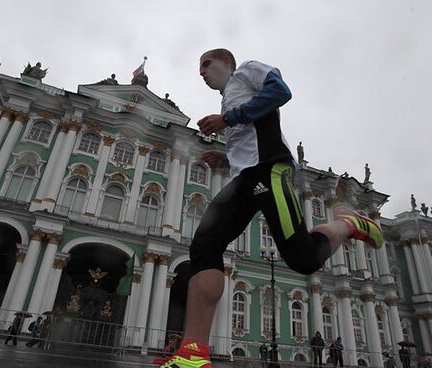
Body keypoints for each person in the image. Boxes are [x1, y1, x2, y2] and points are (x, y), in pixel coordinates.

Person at [157, 49, 384, 368]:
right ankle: (193, 353)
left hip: (270, 170)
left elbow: (281, 92)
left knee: (303, 259)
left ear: (227, 63)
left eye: (206, 64)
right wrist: (225, 158)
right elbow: (247, 142)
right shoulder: (227, 100)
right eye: (200, 67)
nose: (202, 72)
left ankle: (347, 224)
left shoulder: (248, 71)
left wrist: (228, 119)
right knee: (203, 247)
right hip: (243, 180)